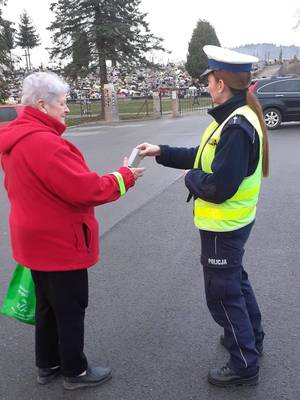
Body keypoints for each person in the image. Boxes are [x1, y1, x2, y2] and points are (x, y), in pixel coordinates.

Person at [0, 72, 144, 390]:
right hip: (59, 240)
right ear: (42, 105)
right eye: (62, 104)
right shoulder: (45, 143)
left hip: (32, 238)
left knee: (47, 305)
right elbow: (84, 189)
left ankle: (47, 363)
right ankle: (75, 371)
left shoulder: (16, 139)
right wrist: (125, 176)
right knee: (70, 307)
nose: (67, 109)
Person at [137, 45, 269, 387]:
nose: (207, 85)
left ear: (221, 82)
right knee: (235, 281)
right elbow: (203, 155)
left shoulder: (237, 125)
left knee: (222, 294)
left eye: (209, 79)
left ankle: (244, 362)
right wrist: (161, 152)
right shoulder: (232, 118)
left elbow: (219, 185)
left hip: (223, 224)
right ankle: (251, 336)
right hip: (230, 223)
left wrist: (191, 179)